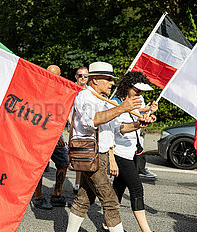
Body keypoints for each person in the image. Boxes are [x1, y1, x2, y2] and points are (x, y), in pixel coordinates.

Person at [66, 62, 155, 232]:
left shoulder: (104, 100)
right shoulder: (85, 97)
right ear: (95, 80)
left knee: (84, 200)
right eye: (108, 79)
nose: (112, 83)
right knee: (111, 201)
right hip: (92, 155)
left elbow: (118, 128)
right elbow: (92, 121)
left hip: (100, 155)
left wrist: (138, 124)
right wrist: (122, 107)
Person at [111, 72, 158, 232]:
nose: (141, 94)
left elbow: (138, 121)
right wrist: (138, 124)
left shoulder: (137, 103)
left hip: (132, 152)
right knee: (137, 189)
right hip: (119, 152)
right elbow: (120, 128)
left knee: (118, 189)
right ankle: (147, 230)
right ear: (127, 87)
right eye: (137, 90)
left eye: (142, 91)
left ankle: (108, 223)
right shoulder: (115, 103)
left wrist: (148, 116)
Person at [33, 65, 69, 209]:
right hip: (40, 135)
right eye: (49, 73)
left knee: (64, 162)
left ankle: (56, 195)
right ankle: (38, 197)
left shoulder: (61, 91)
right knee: (39, 167)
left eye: (56, 75)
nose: (52, 77)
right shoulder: (39, 90)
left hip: (56, 134)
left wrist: (59, 133)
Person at [72, 66, 88, 194]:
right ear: (76, 76)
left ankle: (82, 184)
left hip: (87, 129)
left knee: (85, 157)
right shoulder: (72, 89)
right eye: (80, 75)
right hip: (74, 128)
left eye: (85, 76)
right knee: (76, 158)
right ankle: (77, 183)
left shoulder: (90, 92)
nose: (83, 78)